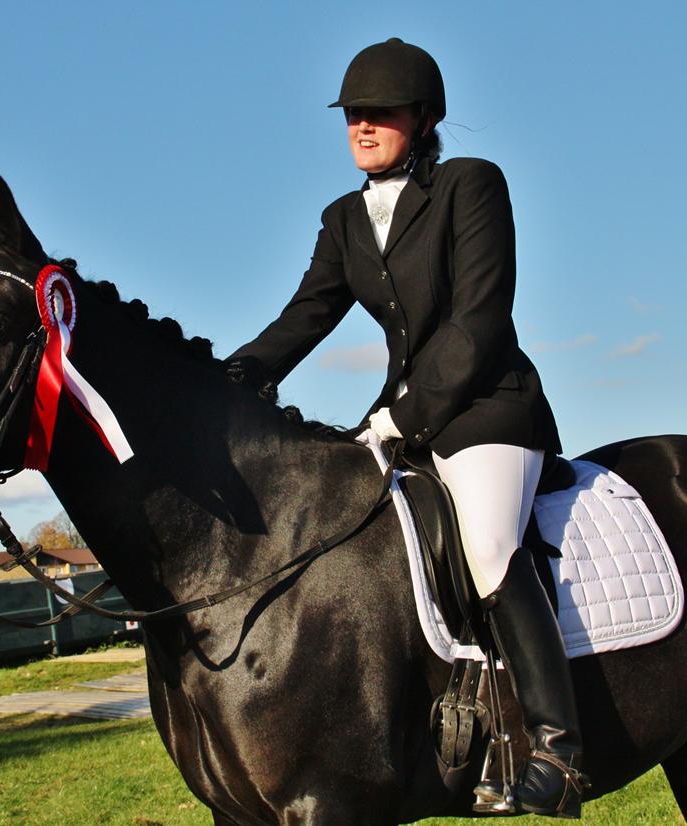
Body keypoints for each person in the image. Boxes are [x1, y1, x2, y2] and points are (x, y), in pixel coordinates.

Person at [227, 37, 584, 817]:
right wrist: (232, 379)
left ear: (423, 119)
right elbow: (306, 316)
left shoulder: (471, 186)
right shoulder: (344, 218)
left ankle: (558, 750)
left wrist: (400, 416)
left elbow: (479, 320)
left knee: (489, 545)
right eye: (353, 113)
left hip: (490, 409)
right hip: (405, 420)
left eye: (379, 112)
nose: (361, 125)